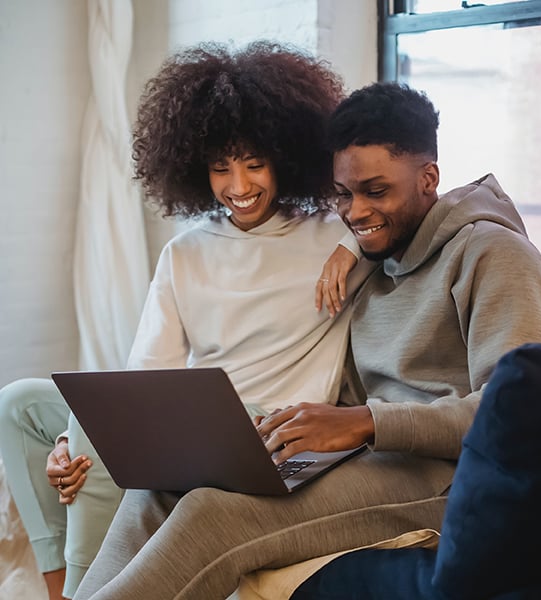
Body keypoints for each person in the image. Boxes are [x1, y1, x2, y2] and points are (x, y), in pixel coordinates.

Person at [72, 80, 541, 600]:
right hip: (364, 458)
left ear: (429, 178)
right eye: (343, 194)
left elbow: (518, 415)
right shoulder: (379, 257)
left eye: (376, 191)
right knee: (159, 487)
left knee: (211, 513)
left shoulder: (496, 256)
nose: (354, 214)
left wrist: (363, 423)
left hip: (445, 476)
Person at [0, 40, 366, 600]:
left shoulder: (336, 233)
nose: (239, 187)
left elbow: (433, 204)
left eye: (254, 164)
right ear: (195, 170)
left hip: (266, 429)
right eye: (221, 169)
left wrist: (353, 249)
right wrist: (69, 437)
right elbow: (145, 379)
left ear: (286, 156)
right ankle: (59, 588)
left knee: (94, 444)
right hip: (193, 415)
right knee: (18, 404)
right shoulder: (185, 253)